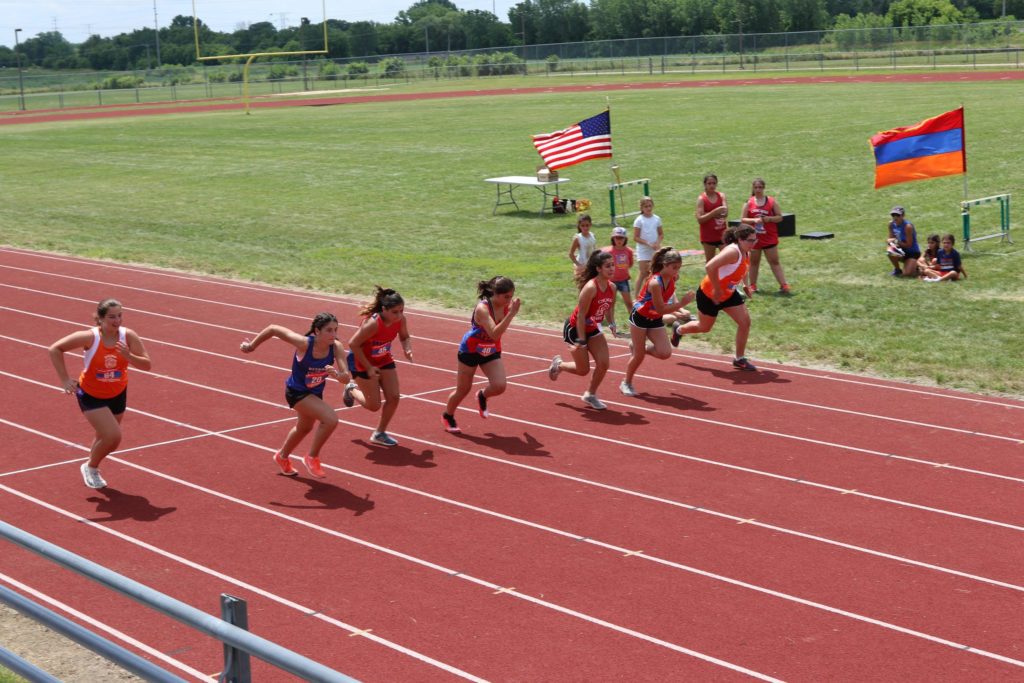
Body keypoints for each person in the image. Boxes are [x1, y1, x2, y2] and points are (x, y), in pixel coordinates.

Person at [49, 298, 152, 489]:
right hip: (91, 394)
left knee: (104, 437)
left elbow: (147, 365)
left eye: (120, 315)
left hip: (118, 393)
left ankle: (91, 465)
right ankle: (91, 467)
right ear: (101, 318)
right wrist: (64, 379)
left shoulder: (128, 336)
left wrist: (129, 357)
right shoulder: (90, 337)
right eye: (112, 317)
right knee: (114, 437)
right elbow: (55, 349)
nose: (117, 320)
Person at [240, 313, 348, 478]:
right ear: (317, 331)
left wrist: (337, 375)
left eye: (335, 330)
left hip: (315, 393)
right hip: (296, 392)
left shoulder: (336, 347)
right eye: (329, 331)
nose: (333, 335)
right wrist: (251, 347)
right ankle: (311, 457)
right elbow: (273, 329)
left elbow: (346, 378)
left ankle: (282, 456)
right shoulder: (304, 344)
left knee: (304, 427)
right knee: (331, 418)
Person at [672, 225, 759, 371]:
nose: (754, 243)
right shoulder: (732, 252)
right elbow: (709, 267)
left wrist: (745, 284)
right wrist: (717, 290)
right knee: (704, 327)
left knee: (745, 322)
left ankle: (739, 359)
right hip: (709, 294)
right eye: (750, 240)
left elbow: (744, 268)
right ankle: (679, 330)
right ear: (740, 240)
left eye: (755, 239)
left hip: (729, 295)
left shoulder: (746, 252)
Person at [442, 276, 522, 433]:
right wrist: (511, 314)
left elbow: (495, 338)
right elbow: (493, 333)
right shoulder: (483, 309)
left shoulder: (505, 306)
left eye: (511, 296)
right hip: (471, 350)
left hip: (491, 349)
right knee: (463, 390)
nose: (509, 300)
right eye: (506, 296)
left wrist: (509, 313)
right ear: (495, 294)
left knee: (499, 386)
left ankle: (482, 395)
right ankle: (448, 415)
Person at [619, 247, 696, 396]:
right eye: (674, 267)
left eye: (679, 267)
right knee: (638, 357)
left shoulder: (673, 278)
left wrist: (678, 307)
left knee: (665, 353)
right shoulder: (655, 282)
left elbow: (668, 295)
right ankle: (626, 382)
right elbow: (661, 309)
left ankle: (637, 347)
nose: (677, 271)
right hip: (640, 318)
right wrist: (681, 305)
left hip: (654, 319)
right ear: (664, 265)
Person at [548, 250, 617, 410]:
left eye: (613, 265)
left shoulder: (612, 287)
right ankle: (559, 365)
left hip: (592, 327)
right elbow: (580, 317)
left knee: (604, 363)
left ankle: (590, 394)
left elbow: (609, 307)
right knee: (582, 370)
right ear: (598, 268)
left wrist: (612, 324)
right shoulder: (590, 288)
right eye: (608, 266)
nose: (612, 268)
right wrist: (580, 340)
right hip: (576, 329)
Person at [344, 286, 412, 447]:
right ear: (384, 309)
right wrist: (368, 367)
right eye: (395, 312)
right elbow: (353, 344)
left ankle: (379, 433)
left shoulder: (401, 320)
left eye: (401, 310)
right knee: (374, 406)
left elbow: (405, 336)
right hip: (361, 361)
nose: (399, 315)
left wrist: (407, 348)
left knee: (394, 397)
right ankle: (351, 389)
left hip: (383, 359)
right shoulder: (373, 324)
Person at [740, 178, 790, 294]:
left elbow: (780, 217)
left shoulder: (771, 201)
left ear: (764, 188)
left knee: (774, 261)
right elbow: (743, 218)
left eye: (760, 187)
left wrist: (769, 219)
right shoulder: (749, 202)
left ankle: (783, 285)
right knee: (754, 262)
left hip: (769, 237)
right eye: (756, 187)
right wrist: (754, 220)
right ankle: (753, 285)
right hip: (754, 239)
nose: (758, 190)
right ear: (753, 188)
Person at [601, 226, 635, 338]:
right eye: (617, 238)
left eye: (621, 238)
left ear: (625, 239)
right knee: (611, 304)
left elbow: (630, 263)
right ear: (613, 239)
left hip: (624, 280)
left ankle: (635, 326)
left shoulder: (628, 251)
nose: (619, 240)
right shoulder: (609, 251)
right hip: (612, 282)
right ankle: (612, 326)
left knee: (629, 304)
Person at [632, 196, 663, 295]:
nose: (648, 208)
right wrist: (648, 243)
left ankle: (648, 294)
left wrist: (657, 243)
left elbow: (661, 233)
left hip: (654, 249)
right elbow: (636, 237)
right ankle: (635, 295)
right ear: (641, 208)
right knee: (643, 272)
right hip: (643, 250)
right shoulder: (639, 220)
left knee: (652, 273)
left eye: (650, 206)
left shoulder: (657, 219)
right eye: (646, 206)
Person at [696, 174, 729, 262]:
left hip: (722, 235)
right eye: (709, 183)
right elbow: (700, 219)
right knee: (710, 263)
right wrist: (715, 212)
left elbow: (725, 213)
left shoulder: (721, 196)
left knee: (727, 261)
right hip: (708, 237)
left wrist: (708, 214)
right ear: (705, 185)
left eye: (714, 183)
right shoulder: (701, 199)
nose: (712, 186)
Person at [886, 206, 921, 277]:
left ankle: (915, 264)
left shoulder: (907, 226)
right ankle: (897, 269)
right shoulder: (891, 224)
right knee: (889, 250)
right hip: (901, 251)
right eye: (893, 215)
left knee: (906, 274)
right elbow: (891, 239)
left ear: (903, 215)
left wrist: (896, 241)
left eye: (898, 215)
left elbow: (909, 245)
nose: (895, 217)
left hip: (912, 252)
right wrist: (889, 242)